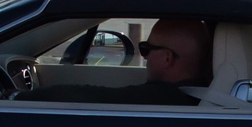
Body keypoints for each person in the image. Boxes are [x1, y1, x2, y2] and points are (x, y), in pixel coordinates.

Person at [33, 17, 208, 105]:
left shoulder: (156, 98)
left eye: (146, 49)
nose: (144, 56)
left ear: (167, 58)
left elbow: (88, 96)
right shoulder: (204, 94)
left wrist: (18, 96)